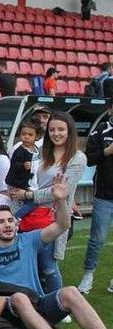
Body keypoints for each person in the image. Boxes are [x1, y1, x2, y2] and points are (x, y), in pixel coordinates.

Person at [0, 177, 113, 329]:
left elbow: (62, 225)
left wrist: (60, 200)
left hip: (39, 303)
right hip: (12, 311)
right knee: (19, 297)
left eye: (10, 220)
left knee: (71, 292)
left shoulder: (29, 240)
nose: (8, 224)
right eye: (0, 222)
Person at [9, 112, 86, 293]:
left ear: (70, 131)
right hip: (29, 213)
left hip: (53, 216)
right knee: (28, 262)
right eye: (52, 129)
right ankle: (36, 302)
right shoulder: (42, 152)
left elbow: (59, 192)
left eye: (61, 129)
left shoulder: (78, 158)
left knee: (48, 265)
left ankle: (59, 304)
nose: (56, 133)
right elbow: (31, 179)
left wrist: (28, 195)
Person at [79, 98, 113, 294]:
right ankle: (88, 275)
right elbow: (88, 159)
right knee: (97, 239)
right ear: (110, 109)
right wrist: (107, 151)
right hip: (104, 195)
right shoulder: (100, 130)